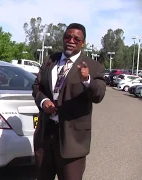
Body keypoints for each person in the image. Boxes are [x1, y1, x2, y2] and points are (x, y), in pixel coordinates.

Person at [32, 23, 106, 180]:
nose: (71, 40)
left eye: (76, 39)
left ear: (82, 43)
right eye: (67, 37)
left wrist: (87, 80)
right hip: (45, 136)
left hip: (72, 141)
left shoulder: (93, 66)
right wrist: (43, 100)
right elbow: (36, 87)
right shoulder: (49, 61)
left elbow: (98, 95)